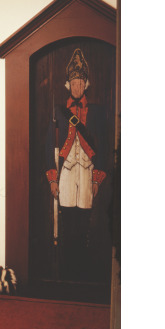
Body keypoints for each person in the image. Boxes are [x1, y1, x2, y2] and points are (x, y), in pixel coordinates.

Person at [45, 48, 106, 281]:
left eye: (80, 82)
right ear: (68, 85)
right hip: (67, 172)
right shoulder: (59, 113)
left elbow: (103, 144)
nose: (77, 86)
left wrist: (97, 177)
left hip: (87, 170)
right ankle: (67, 270)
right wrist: (53, 178)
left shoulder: (98, 112)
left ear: (86, 84)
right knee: (68, 219)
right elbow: (49, 146)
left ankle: (83, 271)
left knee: (85, 221)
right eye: (73, 82)